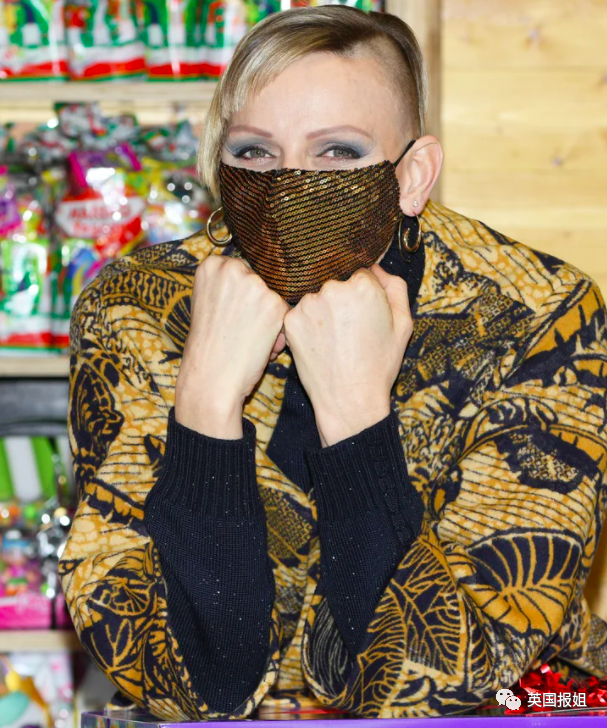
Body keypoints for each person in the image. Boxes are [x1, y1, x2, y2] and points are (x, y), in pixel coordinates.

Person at [58, 4, 607, 721]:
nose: (289, 185)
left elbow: (448, 683)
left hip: (516, 707)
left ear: (412, 175)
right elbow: (184, 684)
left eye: (338, 152)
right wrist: (205, 404)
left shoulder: (537, 315)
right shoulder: (135, 307)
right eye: (255, 153)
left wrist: (354, 415)